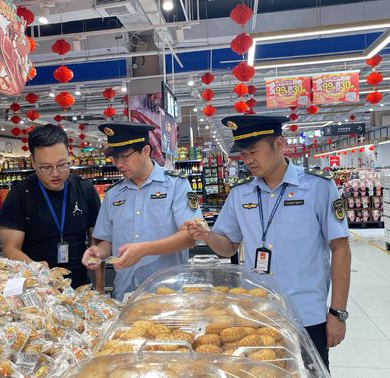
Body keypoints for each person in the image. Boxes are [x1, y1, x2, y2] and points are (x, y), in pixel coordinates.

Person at [185, 115, 351, 370]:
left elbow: (340, 249)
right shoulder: (241, 192)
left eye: (253, 151)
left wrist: (337, 313)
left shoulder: (317, 186)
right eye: (242, 153)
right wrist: (207, 236)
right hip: (256, 314)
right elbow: (227, 246)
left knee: (308, 372)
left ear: (279, 144)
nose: (247, 160)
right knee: (260, 372)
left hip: (306, 316)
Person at [82, 122, 203, 301]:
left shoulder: (176, 185)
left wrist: (144, 250)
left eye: (124, 156)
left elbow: (189, 237)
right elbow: (107, 241)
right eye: (114, 158)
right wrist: (98, 252)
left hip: (168, 294)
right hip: (125, 294)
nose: (119, 164)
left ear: (146, 151)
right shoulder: (113, 194)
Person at [0, 124, 104, 291]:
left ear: (69, 155)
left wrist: (99, 291)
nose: (56, 173)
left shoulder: (85, 189)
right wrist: (36, 268)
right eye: (46, 167)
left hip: (80, 291)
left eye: (62, 164)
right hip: (37, 292)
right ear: (33, 161)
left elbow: (96, 244)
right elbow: (10, 249)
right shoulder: (20, 194)